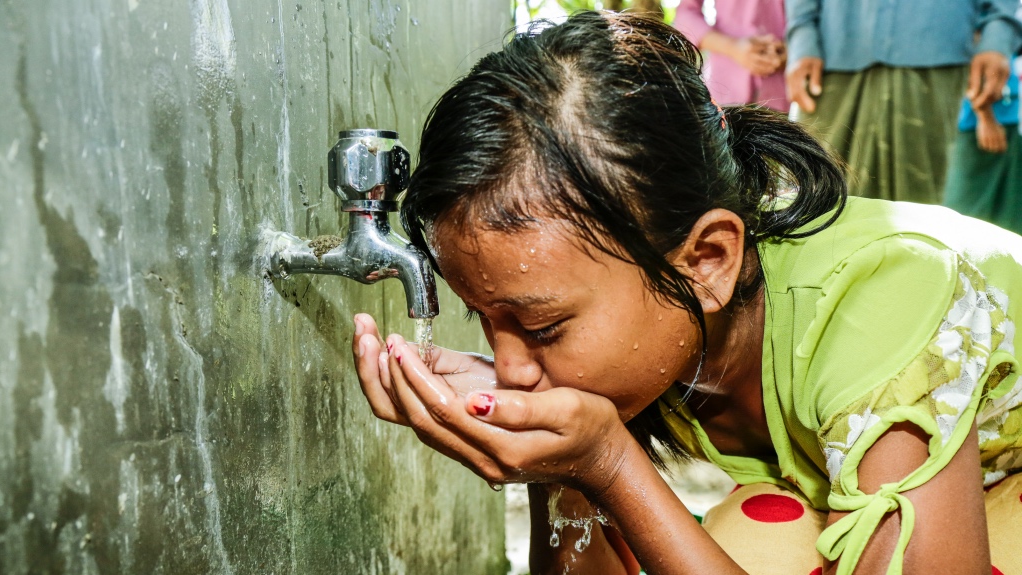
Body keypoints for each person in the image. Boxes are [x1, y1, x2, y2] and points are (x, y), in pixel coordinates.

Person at [352, 12, 1022, 575]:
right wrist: (562, 467)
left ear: (707, 261)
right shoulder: (655, 323)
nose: (513, 368)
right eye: (486, 320)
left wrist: (612, 464)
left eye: (544, 327)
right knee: (758, 530)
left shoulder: (876, 302)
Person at [784, 0, 1022, 204]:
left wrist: (998, 38)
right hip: (834, 54)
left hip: (935, 55)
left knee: (924, 210)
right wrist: (802, 39)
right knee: (819, 199)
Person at [944, 55, 1022, 234]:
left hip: (1012, 121)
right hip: (983, 125)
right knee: (964, 217)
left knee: (1009, 219)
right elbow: (977, 54)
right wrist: (984, 115)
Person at [674, 0, 789, 112]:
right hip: (724, 95)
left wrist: (795, 51)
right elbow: (685, 15)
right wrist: (732, 47)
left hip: (787, 93)